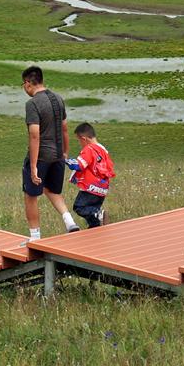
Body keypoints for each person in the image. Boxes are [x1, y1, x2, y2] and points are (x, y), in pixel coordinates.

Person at [21, 65, 79, 241]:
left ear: (28, 83)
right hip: (58, 155)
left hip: (41, 156)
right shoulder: (58, 99)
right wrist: (65, 153)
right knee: (51, 189)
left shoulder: (33, 104)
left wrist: (33, 166)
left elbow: (34, 134)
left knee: (31, 195)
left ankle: (35, 237)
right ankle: (69, 221)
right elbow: (65, 128)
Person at [64, 122, 115, 229]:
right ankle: (94, 229)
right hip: (102, 188)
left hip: (90, 188)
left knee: (80, 207)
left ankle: (99, 214)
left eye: (79, 140)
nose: (79, 143)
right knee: (92, 217)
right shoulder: (103, 150)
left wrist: (65, 161)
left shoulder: (89, 149)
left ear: (84, 138)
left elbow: (79, 165)